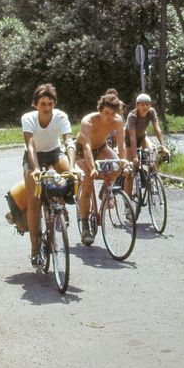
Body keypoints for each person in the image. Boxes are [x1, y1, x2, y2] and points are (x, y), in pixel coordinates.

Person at [21, 84, 76, 266]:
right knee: (34, 200)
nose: (46, 108)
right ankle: (35, 249)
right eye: (43, 104)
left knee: (72, 175)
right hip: (33, 156)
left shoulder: (61, 117)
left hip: (54, 152)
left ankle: (62, 204)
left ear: (55, 104)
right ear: (35, 104)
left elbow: (69, 142)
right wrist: (35, 168)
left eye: (50, 104)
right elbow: (30, 145)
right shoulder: (28, 118)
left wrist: (73, 167)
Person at [75, 92, 128, 245]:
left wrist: (124, 161)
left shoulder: (117, 120)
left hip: (102, 147)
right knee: (87, 184)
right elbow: (85, 147)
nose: (109, 117)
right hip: (83, 149)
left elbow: (121, 143)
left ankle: (106, 188)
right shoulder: (88, 121)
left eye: (112, 113)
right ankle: (85, 226)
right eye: (106, 112)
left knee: (118, 165)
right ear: (100, 110)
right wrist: (92, 168)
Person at [123, 93, 170, 207]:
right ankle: (127, 203)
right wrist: (134, 156)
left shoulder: (151, 112)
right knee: (131, 171)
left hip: (142, 137)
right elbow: (133, 138)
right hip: (129, 141)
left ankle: (153, 179)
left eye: (147, 104)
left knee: (152, 153)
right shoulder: (132, 116)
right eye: (142, 104)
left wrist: (163, 146)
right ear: (137, 105)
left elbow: (156, 128)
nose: (145, 107)